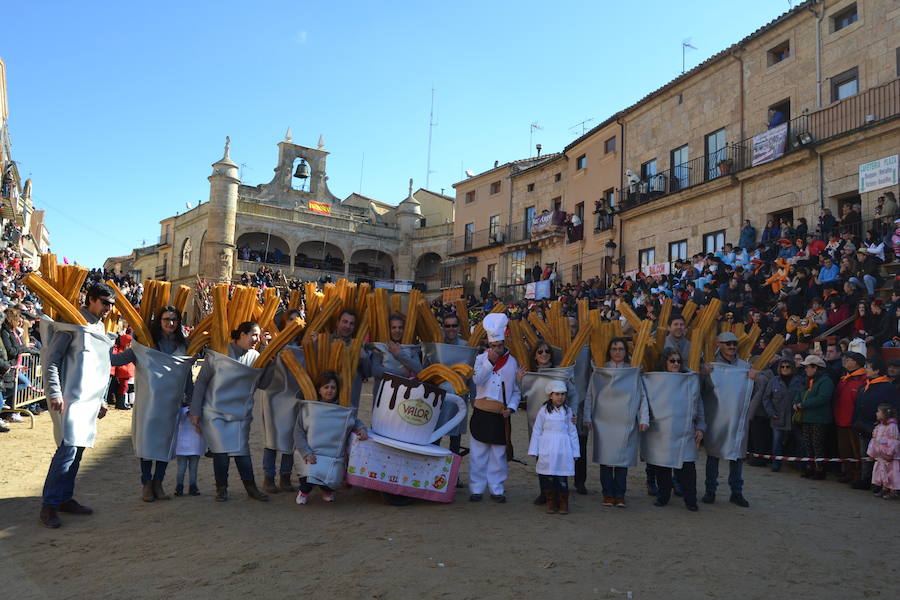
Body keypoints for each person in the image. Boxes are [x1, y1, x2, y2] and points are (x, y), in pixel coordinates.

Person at [39, 282, 116, 529]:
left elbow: (102, 368)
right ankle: (49, 505)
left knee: (78, 450)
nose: (108, 308)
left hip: (90, 401)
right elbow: (52, 360)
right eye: (104, 303)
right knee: (67, 450)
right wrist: (54, 392)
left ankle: (64, 498)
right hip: (70, 398)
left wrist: (102, 399)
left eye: (111, 304)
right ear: (90, 299)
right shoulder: (71, 322)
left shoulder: (102, 327)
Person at [111, 305, 194, 502]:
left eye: (174, 320)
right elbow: (118, 360)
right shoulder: (146, 344)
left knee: (165, 445)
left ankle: (158, 483)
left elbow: (187, 374)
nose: (171, 323)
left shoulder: (184, 345)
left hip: (171, 404)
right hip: (148, 405)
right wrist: (104, 342)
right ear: (160, 321)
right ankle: (146, 484)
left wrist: (190, 398)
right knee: (147, 445)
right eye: (166, 319)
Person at [190, 321, 271, 503]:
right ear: (242, 334)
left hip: (240, 414)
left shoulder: (256, 356)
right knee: (220, 452)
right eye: (254, 335)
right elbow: (201, 382)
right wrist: (195, 410)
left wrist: (269, 361)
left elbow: (264, 384)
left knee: (242, 451)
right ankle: (222, 489)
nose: (256, 340)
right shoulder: (220, 352)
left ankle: (251, 488)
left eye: (258, 336)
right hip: (215, 412)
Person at [587, 338, 649, 508]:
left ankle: (620, 494)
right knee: (605, 458)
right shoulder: (600, 369)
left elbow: (641, 396)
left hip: (625, 420)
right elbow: (590, 394)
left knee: (622, 458)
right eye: (614, 348)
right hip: (603, 420)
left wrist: (644, 418)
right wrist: (587, 416)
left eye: (621, 349)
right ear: (609, 351)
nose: (617, 352)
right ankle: (607, 493)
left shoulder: (632, 370)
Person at [294, 371, 368, 505]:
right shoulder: (309, 407)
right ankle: (303, 491)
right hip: (311, 452)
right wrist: (306, 452)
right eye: (326, 387)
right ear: (319, 390)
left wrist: (361, 428)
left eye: (333, 388)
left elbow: (354, 421)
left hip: (333, 454)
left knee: (331, 478)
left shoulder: (342, 407)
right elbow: (298, 432)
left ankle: (326, 490)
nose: (329, 391)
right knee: (308, 479)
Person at [702, 331, 758, 508]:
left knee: (736, 456)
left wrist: (754, 379)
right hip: (716, 416)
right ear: (719, 344)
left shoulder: (744, 366)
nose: (732, 346)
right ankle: (710, 491)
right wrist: (704, 374)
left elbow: (754, 389)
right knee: (713, 455)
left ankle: (736, 492)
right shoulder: (710, 364)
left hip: (736, 416)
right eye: (727, 343)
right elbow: (702, 388)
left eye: (734, 343)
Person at [469, 313, 520, 503]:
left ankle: (497, 489)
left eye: (499, 346)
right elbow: (477, 380)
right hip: (481, 411)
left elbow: (516, 391)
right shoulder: (481, 359)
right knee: (478, 453)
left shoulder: (512, 362)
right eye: (493, 346)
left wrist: (512, 408)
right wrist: (489, 362)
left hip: (501, 414)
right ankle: (476, 488)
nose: (496, 349)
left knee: (498, 454)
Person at [646, 348, 704, 511]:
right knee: (662, 466)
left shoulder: (690, 379)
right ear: (665, 362)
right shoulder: (655, 380)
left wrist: (700, 426)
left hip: (685, 429)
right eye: (672, 361)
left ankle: (690, 499)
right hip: (662, 430)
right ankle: (663, 495)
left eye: (678, 361)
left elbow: (699, 404)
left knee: (687, 467)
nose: (676, 364)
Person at [527, 380, 580, 515]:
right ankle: (551, 501)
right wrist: (534, 449)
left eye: (562, 394)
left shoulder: (568, 411)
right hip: (548, 446)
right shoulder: (543, 411)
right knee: (548, 475)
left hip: (563, 447)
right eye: (557, 394)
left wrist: (575, 452)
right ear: (550, 395)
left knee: (562, 476)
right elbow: (537, 430)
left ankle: (563, 502)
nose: (560, 397)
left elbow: (572, 432)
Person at [851, 357, 898, 490]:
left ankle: (880, 482)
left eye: (869, 367)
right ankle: (867, 478)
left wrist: (886, 423)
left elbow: (893, 407)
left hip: (880, 428)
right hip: (863, 425)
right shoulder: (865, 385)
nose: (866, 369)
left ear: (877, 370)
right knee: (865, 453)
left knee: (880, 456)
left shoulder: (886, 387)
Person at [793, 355, 835, 480]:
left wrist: (803, 404)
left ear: (815, 368)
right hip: (807, 417)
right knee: (808, 444)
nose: (805, 369)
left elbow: (823, 398)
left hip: (819, 419)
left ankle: (819, 469)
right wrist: (796, 402)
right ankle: (811, 467)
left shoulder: (826, 381)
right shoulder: (808, 380)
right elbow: (800, 393)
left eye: (807, 367)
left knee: (817, 445)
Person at [761, 355, 803, 472]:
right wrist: (771, 412)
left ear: (792, 367)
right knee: (777, 442)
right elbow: (766, 398)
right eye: (782, 366)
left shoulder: (800, 380)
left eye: (788, 366)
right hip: (778, 417)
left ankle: (801, 464)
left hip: (795, 417)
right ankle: (776, 463)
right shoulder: (773, 381)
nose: (785, 368)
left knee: (800, 442)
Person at [833, 351, 867, 484]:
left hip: (853, 421)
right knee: (844, 449)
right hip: (841, 419)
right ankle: (848, 472)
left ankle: (858, 474)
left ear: (856, 362)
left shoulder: (863, 379)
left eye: (848, 359)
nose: (845, 362)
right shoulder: (845, 378)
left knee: (856, 450)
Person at [369, 313, 422, 397]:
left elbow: (419, 369)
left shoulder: (411, 348)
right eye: (394, 327)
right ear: (388, 329)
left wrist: (399, 354)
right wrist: (401, 373)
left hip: (402, 396)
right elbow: (376, 371)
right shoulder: (380, 346)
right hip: (382, 395)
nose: (397, 330)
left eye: (400, 327)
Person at [867, 404, 899, 499]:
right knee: (882, 472)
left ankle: (893, 491)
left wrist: (889, 453)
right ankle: (884, 488)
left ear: (885, 414)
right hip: (881, 456)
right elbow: (874, 440)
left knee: (892, 473)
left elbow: (894, 442)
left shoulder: (892, 427)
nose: (876, 413)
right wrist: (872, 453)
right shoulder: (878, 427)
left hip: (890, 457)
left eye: (878, 411)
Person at [174, 400, 205, 496]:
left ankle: (190, 486)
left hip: (191, 445)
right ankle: (182, 486)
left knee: (188, 468)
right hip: (185, 445)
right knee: (185, 468)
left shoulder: (198, 410)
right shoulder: (181, 410)